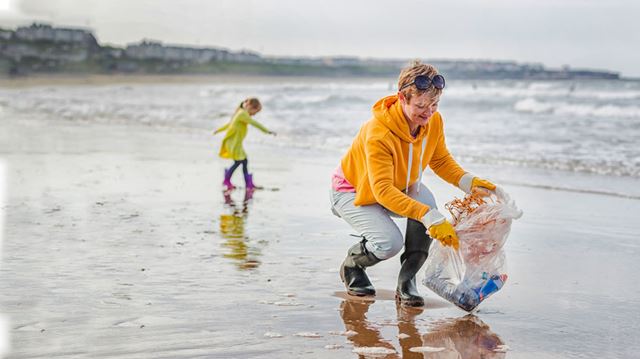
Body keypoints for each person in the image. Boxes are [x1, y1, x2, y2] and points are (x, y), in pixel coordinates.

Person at [330, 60, 497, 307]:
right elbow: (383, 191)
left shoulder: (433, 121)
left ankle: (407, 282)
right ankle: (353, 266)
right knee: (390, 243)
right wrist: (430, 217)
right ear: (402, 98)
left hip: (396, 187)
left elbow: (440, 159)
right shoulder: (378, 133)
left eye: (434, 104)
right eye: (421, 105)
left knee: (428, 205)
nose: (429, 112)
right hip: (351, 191)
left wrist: (469, 182)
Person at [214, 98, 275, 191]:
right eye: (255, 112)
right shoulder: (243, 114)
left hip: (235, 143)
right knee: (239, 162)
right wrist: (267, 131)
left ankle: (245, 183)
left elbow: (229, 125)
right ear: (250, 107)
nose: (254, 115)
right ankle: (231, 180)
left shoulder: (240, 112)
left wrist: (218, 130)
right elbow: (254, 123)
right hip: (233, 143)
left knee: (243, 161)